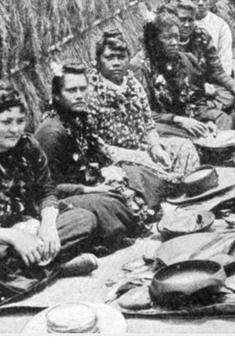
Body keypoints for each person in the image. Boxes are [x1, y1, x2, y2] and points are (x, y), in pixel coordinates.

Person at [0, 81, 101, 309]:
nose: (15, 129)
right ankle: (56, 268)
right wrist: (12, 236)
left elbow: (47, 190)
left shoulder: (28, 145)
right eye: (6, 122)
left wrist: (48, 225)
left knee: (84, 219)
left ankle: (27, 273)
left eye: (20, 121)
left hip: (33, 229)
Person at [34, 63, 154, 236]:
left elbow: (93, 157)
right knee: (110, 203)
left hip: (85, 183)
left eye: (83, 89)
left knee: (136, 175)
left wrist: (107, 172)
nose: (79, 95)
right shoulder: (51, 134)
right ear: (57, 96)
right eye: (72, 90)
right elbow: (47, 190)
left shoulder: (78, 119)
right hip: (58, 201)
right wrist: (92, 189)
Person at [86, 30, 200, 182]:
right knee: (148, 168)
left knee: (185, 147)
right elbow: (95, 143)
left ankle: (183, 189)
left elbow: (148, 124)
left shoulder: (134, 85)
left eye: (121, 57)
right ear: (98, 61)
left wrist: (155, 147)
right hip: (114, 156)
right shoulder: (91, 92)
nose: (116, 63)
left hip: (142, 146)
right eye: (109, 57)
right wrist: (138, 156)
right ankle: (171, 186)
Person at [128, 11, 235, 137]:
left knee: (220, 118)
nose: (174, 43)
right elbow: (142, 113)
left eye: (176, 37)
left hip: (186, 115)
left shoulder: (186, 60)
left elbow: (197, 100)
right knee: (174, 133)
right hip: (161, 122)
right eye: (167, 37)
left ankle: (219, 144)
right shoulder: (140, 67)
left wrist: (204, 121)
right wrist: (179, 120)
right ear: (153, 40)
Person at [187, 0, 235, 76]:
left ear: (210, 0)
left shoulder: (221, 25)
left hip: (215, 79)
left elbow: (225, 62)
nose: (200, 3)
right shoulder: (183, 24)